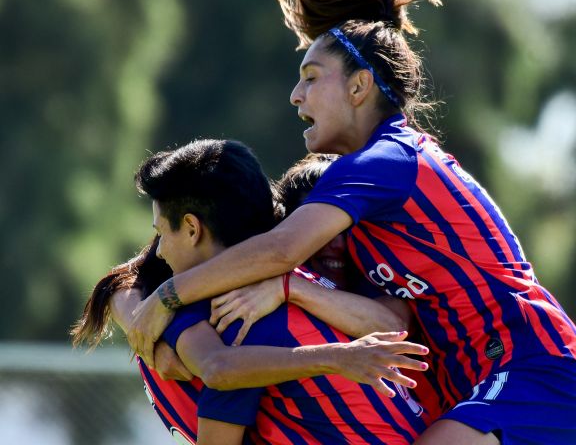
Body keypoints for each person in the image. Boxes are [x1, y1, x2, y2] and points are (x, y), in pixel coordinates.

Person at [126, 0, 576, 444]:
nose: (296, 96)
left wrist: (168, 298)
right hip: (473, 384)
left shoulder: (387, 159)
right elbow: (387, 318)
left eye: (311, 78)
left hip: (532, 365)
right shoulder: (359, 196)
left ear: (361, 87)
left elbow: (279, 249)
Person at [72, 139, 432, 444]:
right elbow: (128, 280)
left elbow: (219, 369)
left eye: (161, 233)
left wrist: (337, 357)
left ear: (192, 229)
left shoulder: (233, 319)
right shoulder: (278, 277)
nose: (160, 249)